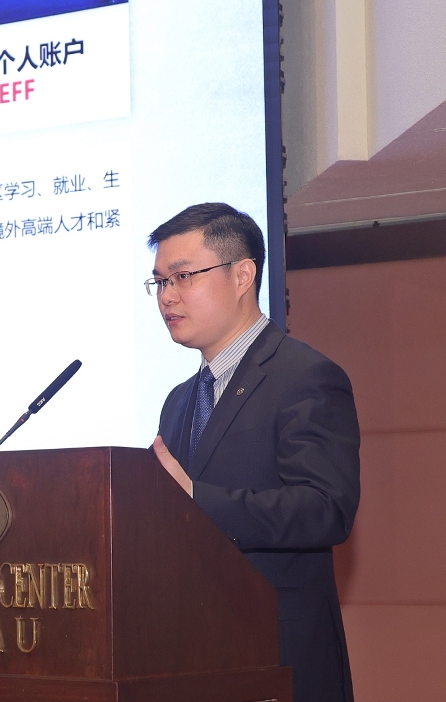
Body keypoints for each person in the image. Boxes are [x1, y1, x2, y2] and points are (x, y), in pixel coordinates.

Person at [146, 202, 359, 702]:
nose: (167, 296)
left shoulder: (305, 377)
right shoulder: (178, 400)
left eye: (182, 277)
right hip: (191, 658)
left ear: (242, 275)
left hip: (278, 656)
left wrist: (196, 499)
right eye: (159, 282)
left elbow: (325, 509)